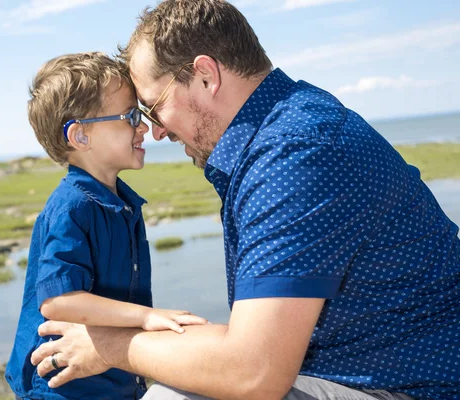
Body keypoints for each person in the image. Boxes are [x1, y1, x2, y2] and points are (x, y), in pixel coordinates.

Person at [29, 2, 460, 400]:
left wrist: (108, 345)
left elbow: (253, 373)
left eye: (153, 108)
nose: (156, 131)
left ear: (205, 76)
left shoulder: (294, 155)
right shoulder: (285, 131)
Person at [5, 52, 208, 400]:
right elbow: (58, 300)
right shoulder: (73, 206)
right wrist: (146, 318)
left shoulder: (123, 203)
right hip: (65, 387)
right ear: (80, 136)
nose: (143, 127)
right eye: (131, 116)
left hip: (111, 378)